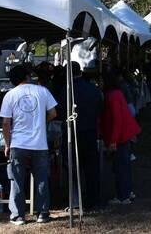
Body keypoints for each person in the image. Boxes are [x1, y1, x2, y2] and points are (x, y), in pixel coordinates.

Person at [0, 64, 58, 225]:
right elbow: (53, 113)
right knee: (41, 179)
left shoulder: (10, 95)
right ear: (27, 76)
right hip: (39, 143)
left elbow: (6, 123)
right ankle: (42, 213)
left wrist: (7, 144)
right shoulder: (42, 91)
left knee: (17, 180)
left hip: (18, 143)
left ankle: (18, 215)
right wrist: (41, 121)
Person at [59, 62, 103, 210]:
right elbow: (100, 108)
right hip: (89, 131)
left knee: (72, 167)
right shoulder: (93, 89)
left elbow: (60, 112)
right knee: (91, 168)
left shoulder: (65, 91)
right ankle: (93, 199)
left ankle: (75, 199)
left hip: (72, 132)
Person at [101, 69, 142, 205]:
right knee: (125, 166)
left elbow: (117, 119)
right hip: (124, 134)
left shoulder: (112, 95)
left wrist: (113, 140)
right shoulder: (117, 93)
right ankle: (127, 192)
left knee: (120, 167)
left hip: (120, 136)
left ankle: (123, 196)